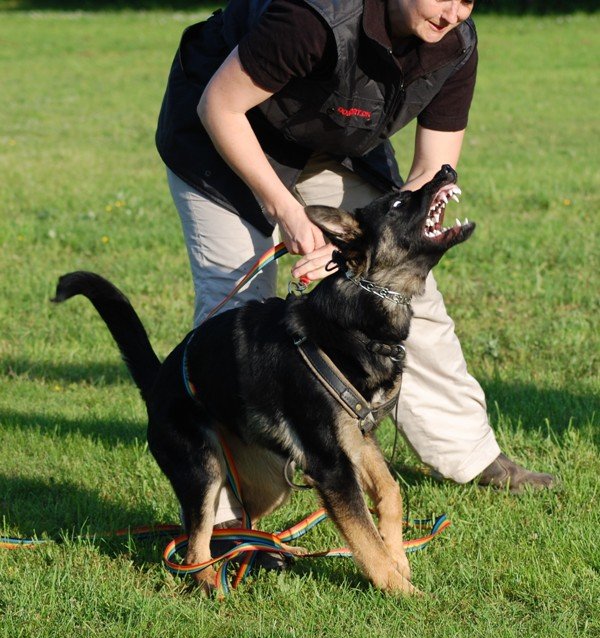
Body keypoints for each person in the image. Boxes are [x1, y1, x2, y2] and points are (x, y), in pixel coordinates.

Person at [155, 0, 554, 525]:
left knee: (400, 283)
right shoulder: (313, 19)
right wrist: (289, 213)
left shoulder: (454, 46)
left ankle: (469, 454)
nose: (454, 12)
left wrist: (355, 249)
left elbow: (430, 175)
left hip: (333, 142)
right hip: (226, 133)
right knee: (234, 310)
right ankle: (226, 513)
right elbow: (219, 108)